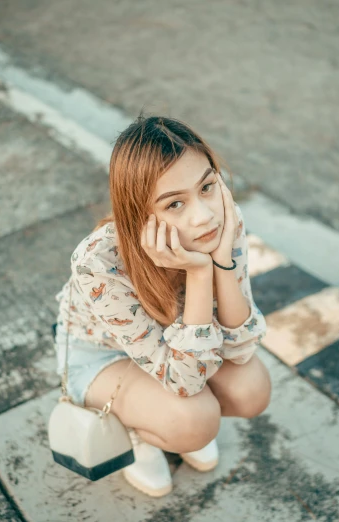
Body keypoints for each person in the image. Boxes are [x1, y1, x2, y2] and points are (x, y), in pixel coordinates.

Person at [53, 115, 271, 497]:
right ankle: (141, 431)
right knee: (193, 419)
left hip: (179, 350)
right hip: (102, 357)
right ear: (141, 214)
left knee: (252, 387)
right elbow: (185, 384)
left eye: (206, 186)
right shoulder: (98, 261)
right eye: (174, 204)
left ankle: (167, 421)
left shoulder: (223, 217)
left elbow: (240, 349)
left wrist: (219, 262)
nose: (203, 215)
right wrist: (200, 275)